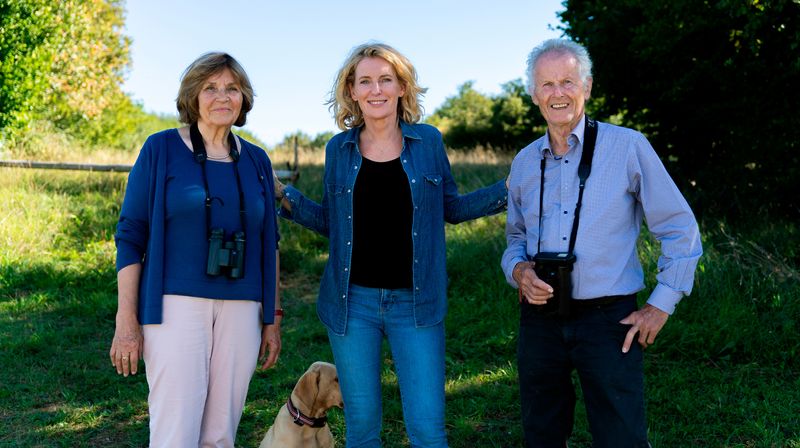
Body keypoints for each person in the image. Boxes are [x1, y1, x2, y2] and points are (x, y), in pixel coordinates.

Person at [273, 42, 507, 447]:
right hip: (352, 304)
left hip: (417, 303)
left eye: (386, 79)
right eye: (365, 81)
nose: (376, 89)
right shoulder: (338, 150)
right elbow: (332, 222)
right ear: (352, 91)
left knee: (428, 430)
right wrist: (284, 197)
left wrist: (508, 189)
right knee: (362, 431)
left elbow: (451, 207)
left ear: (402, 87)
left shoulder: (428, 142)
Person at [501, 39, 702, 447]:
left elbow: (680, 229)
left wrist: (660, 306)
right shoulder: (523, 161)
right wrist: (519, 271)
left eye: (568, 82)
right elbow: (515, 239)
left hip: (609, 321)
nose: (558, 93)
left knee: (620, 437)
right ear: (533, 93)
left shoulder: (627, 146)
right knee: (541, 434)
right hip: (539, 319)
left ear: (587, 86)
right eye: (547, 84)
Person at [109, 52, 282, 448]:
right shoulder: (161, 149)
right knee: (175, 432)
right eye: (211, 87)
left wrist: (272, 315)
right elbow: (131, 234)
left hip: (243, 308)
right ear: (193, 96)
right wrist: (126, 318)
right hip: (174, 306)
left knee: (221, 434)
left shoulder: (256, 160)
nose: (222, 96)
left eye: (232, 88)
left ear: (244, 99)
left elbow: (268, 242)